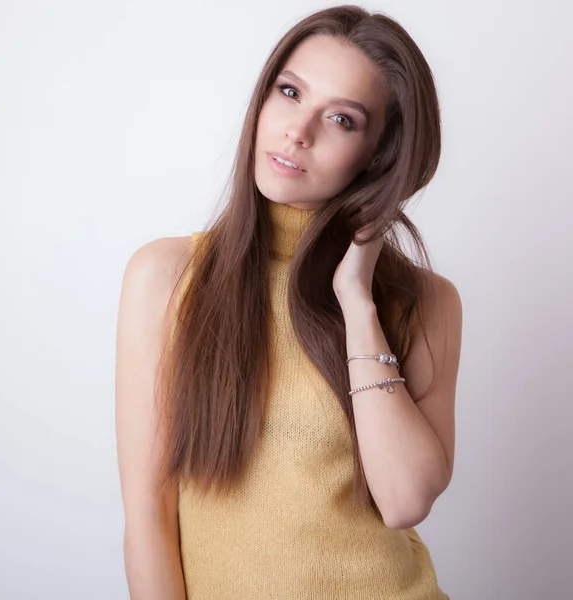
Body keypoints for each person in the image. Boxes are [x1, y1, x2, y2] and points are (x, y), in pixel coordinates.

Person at [115, 4, 463, 599]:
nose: (297, 131)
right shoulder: (168, 278)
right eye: (290, 91)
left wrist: (357, 302)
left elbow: (405, 500)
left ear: (378, 155)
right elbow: (148, 515)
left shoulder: (422, 302)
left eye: (343, 120)